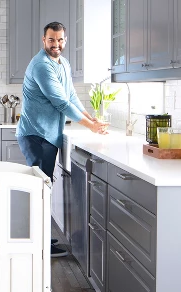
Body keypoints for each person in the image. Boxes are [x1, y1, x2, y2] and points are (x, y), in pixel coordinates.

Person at [16, 21, 109, 258]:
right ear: (43, 40)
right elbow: (61, 102)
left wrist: (90, 118)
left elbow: (71, 95)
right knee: (40, 189)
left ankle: (42, 239)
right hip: (36, 135)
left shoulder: (63, 63)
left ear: (65, 40)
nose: (56, 44)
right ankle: (39, 246)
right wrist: (90, 126)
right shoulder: (41, 66)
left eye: (59, 40)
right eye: (51, 40)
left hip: (48, 135)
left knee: (43, 187)